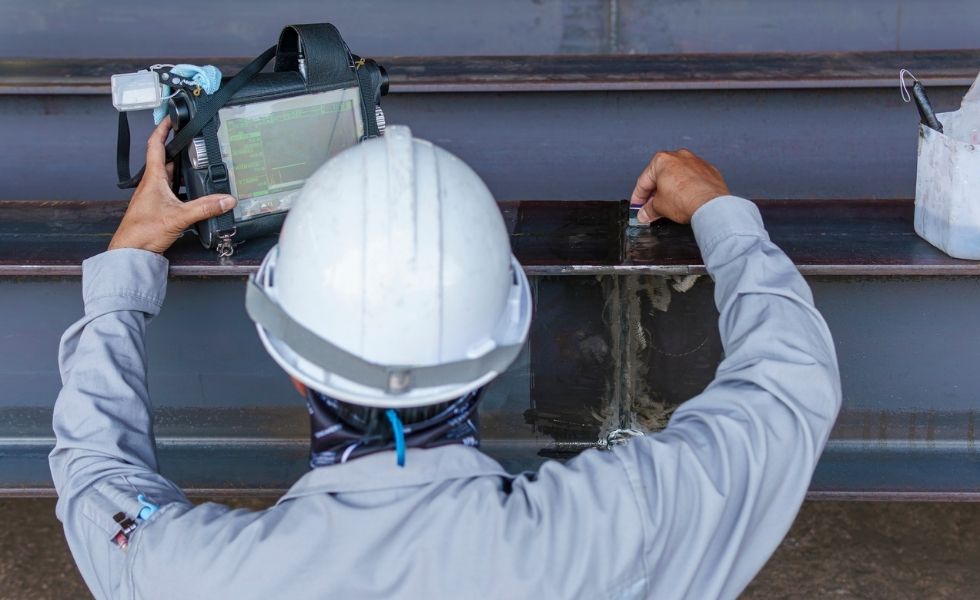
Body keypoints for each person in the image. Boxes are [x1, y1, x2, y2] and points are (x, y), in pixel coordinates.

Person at [50, 120, 840, 600]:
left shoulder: (188, 577)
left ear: (292, 364)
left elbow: (96, 478)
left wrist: (125, 269)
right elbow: (787, 384)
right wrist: (719, 213)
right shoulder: (624, 524)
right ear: (500, 355)